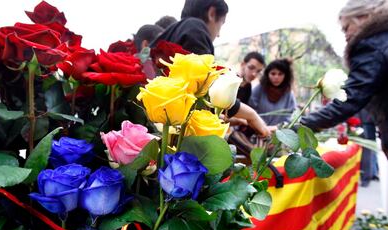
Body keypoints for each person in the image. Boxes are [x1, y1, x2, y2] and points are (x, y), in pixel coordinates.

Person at [150, 0, 271, 137]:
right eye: (221, 24)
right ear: (212, 13)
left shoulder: (176, 29)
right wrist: (251, 115)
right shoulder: (195, 28)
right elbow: (206, 85)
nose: (218, 34)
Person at [300, 0, 388, 159]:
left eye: (346, 28)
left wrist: (297, 126)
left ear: (363, 17)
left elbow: (349, 100)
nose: (346, 36)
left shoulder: (371, 45)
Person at [250, 59, 297, 126]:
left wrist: (281, 127)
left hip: (279, 133)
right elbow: (250, 108)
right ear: (267, 74)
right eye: (273, 73)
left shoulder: (288, 93)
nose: (276, 77)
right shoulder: (259, 88)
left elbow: (292, 116)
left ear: (286, 76)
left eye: (280, 74)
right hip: (257, 130)